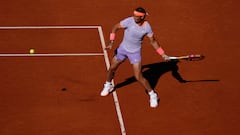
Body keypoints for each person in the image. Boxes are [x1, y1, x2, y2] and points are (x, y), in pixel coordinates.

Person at [100, 7, 170, 108]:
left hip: (134, 53)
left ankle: (152, 94)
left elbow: (153, 42)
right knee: (112, 68)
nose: (134, 17)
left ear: (142, 17)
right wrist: (111, 42)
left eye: (137, 16)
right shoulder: (129, 21)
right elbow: (115, 27)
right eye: (134, 15)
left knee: (138, 76)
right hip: (122, 50)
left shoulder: (147, 27)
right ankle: (108, 85)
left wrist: (163, 54)